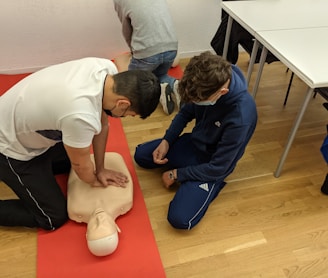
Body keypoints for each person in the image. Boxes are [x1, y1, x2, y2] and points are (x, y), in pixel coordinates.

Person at [0, 57, 160, 230]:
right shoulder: (80, 115)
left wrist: (100, 168)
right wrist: (93, 181)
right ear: (123, 103)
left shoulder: (105, 70)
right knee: (53, 217)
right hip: (9, 148)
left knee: (74, 157)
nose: (127, 117)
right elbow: (80, 165)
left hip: (22, 124)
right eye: (130, 114)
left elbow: (103, 125)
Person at [134, 51, 257, 230]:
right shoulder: (200, 82)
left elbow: (219, 167)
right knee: (141, 156)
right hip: (192, 144)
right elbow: (185, 113)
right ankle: (186, 175)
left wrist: (176, 174)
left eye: (198, 101)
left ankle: (206, 186)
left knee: (180, 219)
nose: (193, 102)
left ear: (222, 92)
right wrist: (167, 140)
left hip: (211, 165)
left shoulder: (241, 116)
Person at [113, 0, 180, 115]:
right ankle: (174, 85)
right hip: (171, 49)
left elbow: (127, 30)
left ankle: (158, 89)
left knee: (130, 85)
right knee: (160, 74)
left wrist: (133, 51)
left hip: (147, 53)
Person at [67, 152, 133, 256]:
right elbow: (118, 164)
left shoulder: (75, 209)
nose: (100, 219)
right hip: (85, 159)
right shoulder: (124, 199)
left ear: (87, 234)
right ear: (117, 228)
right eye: (105, 224)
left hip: (77, 159)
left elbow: (73, 181)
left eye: (95, 226)